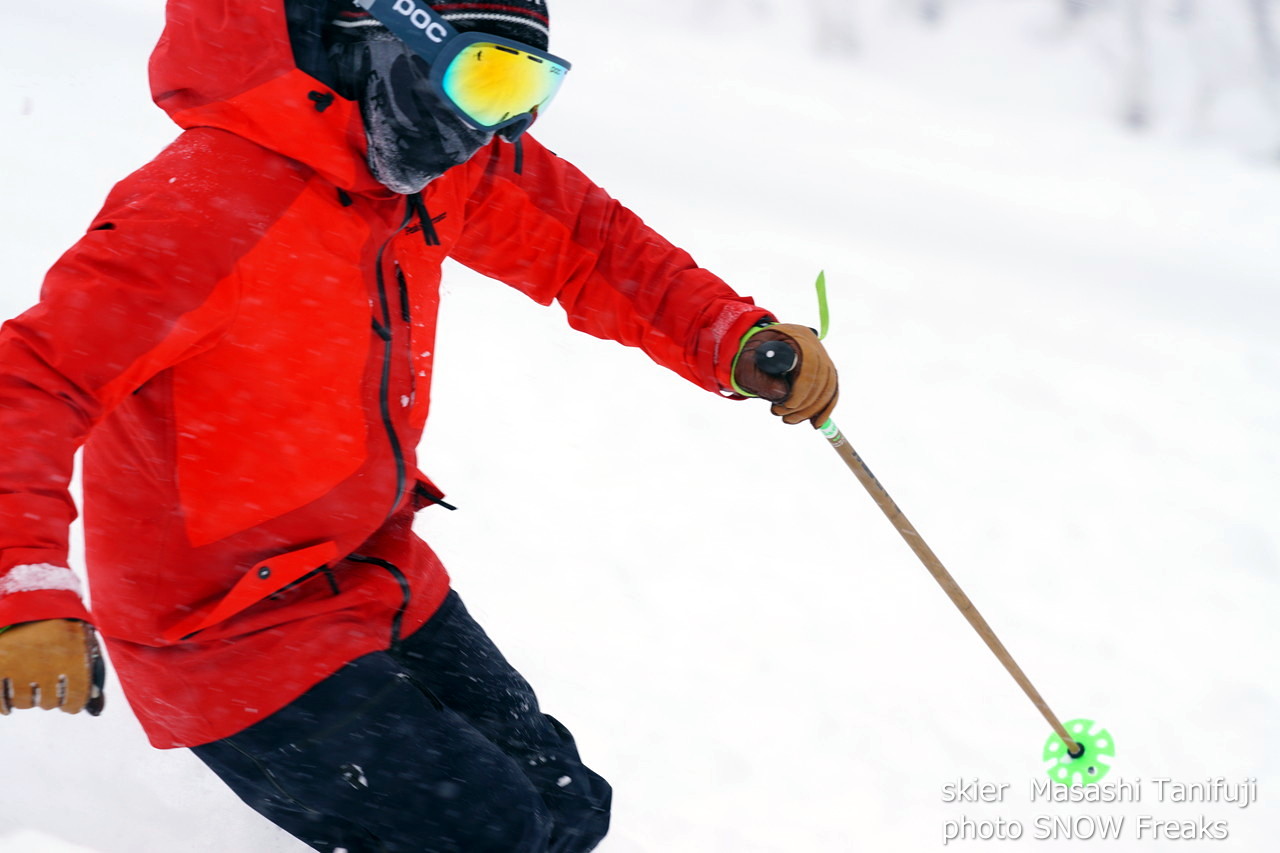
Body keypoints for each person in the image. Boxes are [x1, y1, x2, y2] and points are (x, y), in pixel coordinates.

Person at [0, 0, 838, 850]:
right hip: (220, 631)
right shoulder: (210, 205)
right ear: (383, 39)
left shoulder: (440, 163)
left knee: (569, 808)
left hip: (369, 570)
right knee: (489, 833)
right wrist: (22, 583)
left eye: (527, 87)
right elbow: (33, 379)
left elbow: (590, 243)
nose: (493, 126)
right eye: (485, 76)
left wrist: (729, 334)